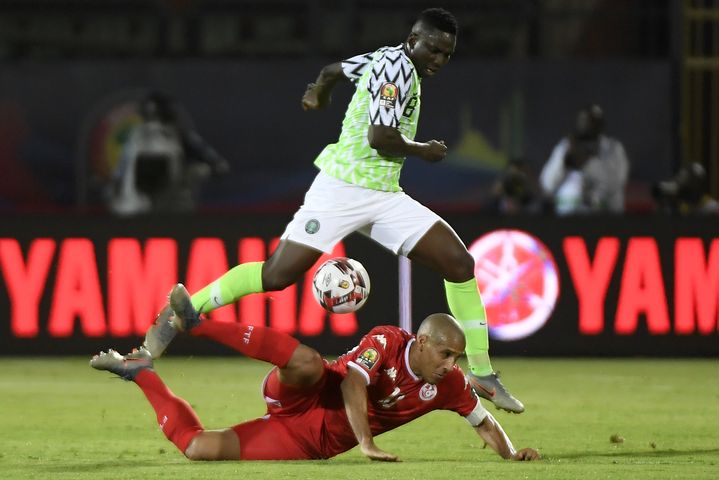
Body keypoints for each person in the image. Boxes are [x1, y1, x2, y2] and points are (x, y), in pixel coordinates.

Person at [143, 7, 523, 413]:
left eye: (447, 54)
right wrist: (423, 150)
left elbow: (333, 70)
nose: (438, 60)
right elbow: (381, 137)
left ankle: (482, 371)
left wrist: (318, 91)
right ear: (414, 41)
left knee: (459, 263)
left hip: (382, 194)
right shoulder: (395, 68)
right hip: (341, 190)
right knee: (277, 274)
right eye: (433, 50)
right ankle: (181, 311)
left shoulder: (383, 58)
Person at [92, 284, 540, 462]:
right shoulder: (387, 340)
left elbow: (482, 421)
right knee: (307, 360)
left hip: (311, 440)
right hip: (308, 392)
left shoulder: (451, 385)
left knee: (197, 448)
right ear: (422, 343)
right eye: (445, 354)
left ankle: (141, 370)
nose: (451, 365)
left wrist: (511, 453)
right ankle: (197, 323)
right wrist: (365, 441)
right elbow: (351, 380)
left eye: (456, 359)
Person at [108, 91, 229, 216]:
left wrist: (196, 172)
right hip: (160, 211)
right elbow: (219, 166)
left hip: (140, 210)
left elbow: (219, 166)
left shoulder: (135, 136)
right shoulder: (177, 136)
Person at [539, 104, 629, 215]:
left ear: (601, 124)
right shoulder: (566, 147)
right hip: (567, 218)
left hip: (605, 217)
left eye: (594, 121)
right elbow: (547, 184)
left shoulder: (613, 148)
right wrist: (564, 162)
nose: (589, 125)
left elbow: (616, 182)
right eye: (585, 120)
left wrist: (587, 163)